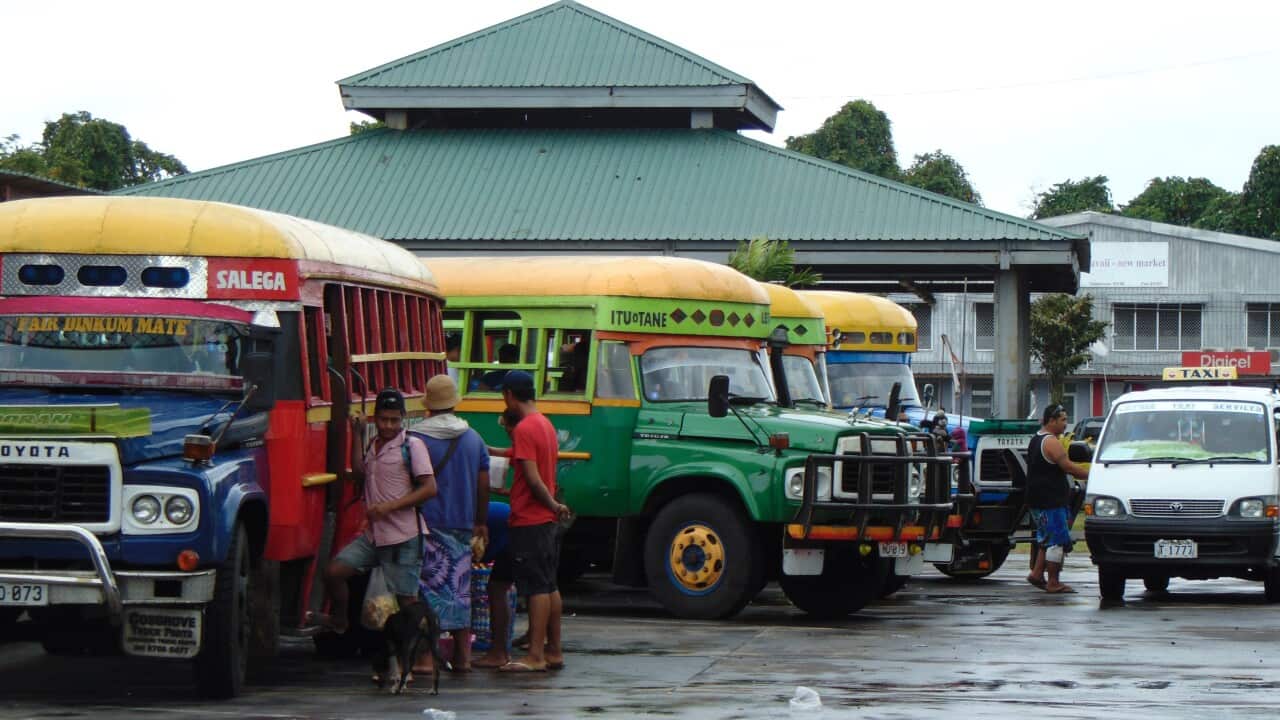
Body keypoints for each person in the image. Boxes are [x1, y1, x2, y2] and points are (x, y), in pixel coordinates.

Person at [309, 388, 436, 635]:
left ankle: (420, 658)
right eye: (383, 419)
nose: (388, 426)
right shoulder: (374, 444)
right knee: (334, 572)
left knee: (406, 601)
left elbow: (430, 488)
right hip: (375, 536)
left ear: (403, 418)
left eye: (394, 420)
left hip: (404, 538)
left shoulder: (412, 445)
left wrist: (389, 506)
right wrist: (357, 435)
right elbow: (359, 474)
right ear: (375, 418)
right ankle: (340, 621)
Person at [482, 370, 570, 673]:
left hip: (531, 519)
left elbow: (533, 480)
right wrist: (489, 451)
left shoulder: (524, 428)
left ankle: (535, 655)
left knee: (535, 588)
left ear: (508, 395)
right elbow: (523, 460)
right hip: (542, 521)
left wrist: (553, 505)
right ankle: (553, 650)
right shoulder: (544, 424)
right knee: (548, 584)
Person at [414, 375, 490, 674]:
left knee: (427, 592)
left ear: (429, 406)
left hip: (426, 524)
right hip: (461, 524)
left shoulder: (416, 438)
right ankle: (462, 658)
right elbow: (484, 482)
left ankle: (425, 658)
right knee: (460, 590)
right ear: (454, 403)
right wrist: (480, 521)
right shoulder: (472, 438)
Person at [1026, 403, 1089, 594]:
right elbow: (1068, 466)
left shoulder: (1036, 439)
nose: (1065, 425)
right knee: (1057, 541)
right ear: (1051, 420)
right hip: (1050, 500)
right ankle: (1053, 582)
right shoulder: (1051, 441)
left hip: (1038, 499)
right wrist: (1093, 475)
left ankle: (1037, 574)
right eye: (1062, 420)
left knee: (1046, 537)